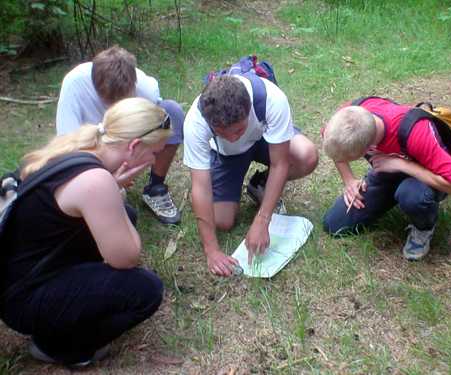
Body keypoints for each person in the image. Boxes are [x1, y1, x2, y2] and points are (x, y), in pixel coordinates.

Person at [0, 98, 168, 367]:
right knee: (146, 291)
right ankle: (60, 347)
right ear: (134, 147)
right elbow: (126, 258)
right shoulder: (95, 180)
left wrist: (114, 191)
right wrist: (115, 191)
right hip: (24, 300)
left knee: (128, 215)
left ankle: (63, 315)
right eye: (155, 153)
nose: (154, 160)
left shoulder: (77, 149)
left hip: (20, 277)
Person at [183, 75, 318, 277]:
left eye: (238, 130)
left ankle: (261, 183)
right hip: (227, 155)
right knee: (221, 221)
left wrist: (263, 220)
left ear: (249, 109)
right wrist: (211, 250)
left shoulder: (271, 99)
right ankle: (235, 181)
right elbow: (200, 188)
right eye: (221, 132)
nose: (232, 137)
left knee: (306, 156)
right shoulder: (195, 122)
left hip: (264, 139)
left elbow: (279, 163)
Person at [322, 97, 451, 260]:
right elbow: (332, 146)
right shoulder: (347, 117)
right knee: (334, 224)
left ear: (368, 148)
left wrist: (400, 164)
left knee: (411, 195)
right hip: (388, 169)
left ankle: (423, 228)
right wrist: (349, 180)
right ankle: (392, 190)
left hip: (428, 173)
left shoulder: (417, 132)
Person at [56, 45, 184, 224]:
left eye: (123, 99)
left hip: (127, 148)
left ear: (134, 83)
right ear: (94, 84)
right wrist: (107, 179)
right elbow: (66, 147)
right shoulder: (75, 84)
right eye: (108, 100)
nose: (114, 107)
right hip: (90, 153)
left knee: (172, 112)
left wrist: (132, 162)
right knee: (123, 212)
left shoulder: (147, 88)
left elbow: (153, 133)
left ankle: (155, 187)